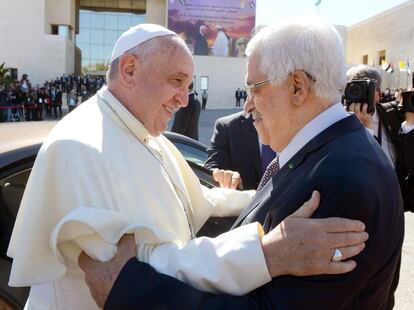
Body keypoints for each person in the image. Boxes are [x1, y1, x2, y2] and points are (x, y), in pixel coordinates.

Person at [8, 24, 367, 310]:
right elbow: (128, 274)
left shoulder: (147, 134)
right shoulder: (79, 146)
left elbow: (201, 201)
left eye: (189, 86)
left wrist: (269, 195)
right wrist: (268, 253)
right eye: (176, 81)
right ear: (130, 69)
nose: (184, 99)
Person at [345, 65, 414, 309]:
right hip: (355, 210)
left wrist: (409, 125)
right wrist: (358, 130)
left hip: (393, 208)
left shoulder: (393, 116)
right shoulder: (338, 120)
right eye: (354, 86)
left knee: (387, 278)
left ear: (377, 92)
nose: (359, 92)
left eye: (365, 86)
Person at [205, 111, 275, 190]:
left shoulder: (291, 123)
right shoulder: (228, 127)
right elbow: (211, 170)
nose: (247, 106)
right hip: (247, 200)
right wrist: (225, 177)